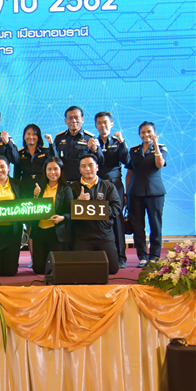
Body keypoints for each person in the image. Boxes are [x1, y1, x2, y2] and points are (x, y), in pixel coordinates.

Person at [125, 121, 168, 268]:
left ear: (154, 133)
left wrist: (155, 145)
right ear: (139, 134)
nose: (146, 135)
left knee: (155, 224)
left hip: (155, 192)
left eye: (149, 132)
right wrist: (127, 194)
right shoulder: (134, 150)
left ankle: (154, 256)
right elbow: (129, 173)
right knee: (137, 226)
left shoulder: (161, 148)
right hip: (135, 192)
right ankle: (142, 256)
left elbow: (159, 164)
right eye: (143, 132)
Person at [70, 154, 121, 275]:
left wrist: (98, 209)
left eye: (90, 165)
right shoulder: (72, 187)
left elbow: (117, 207)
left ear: (97, 167)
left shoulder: (108, 186)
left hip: (104, 235)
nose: (87, 169)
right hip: (82, 236)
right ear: (79, 169)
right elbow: (66, 209)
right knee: (78, 270)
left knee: (113, 269)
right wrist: (78, 202)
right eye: (83, 166)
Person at [95, 112, 130, 269]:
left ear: (111, 124)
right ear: (96, 125)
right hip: (99, 186)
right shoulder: (92, 142)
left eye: (105, 122)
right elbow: (97, 163)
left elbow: (126, 161)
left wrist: (122, 142)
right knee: (99, 219)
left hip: (115, 186)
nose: (103, 125)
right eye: (99, 123)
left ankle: (121, 257)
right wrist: (94, 149)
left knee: (117, 220)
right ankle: (100, 256)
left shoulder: (117, 142)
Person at [30, 157, 73, 274]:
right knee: (38, 269)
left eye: (55, 169)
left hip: (56, 232)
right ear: (45, 171)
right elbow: (30, 209)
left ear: (61, 170)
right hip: (40, 231)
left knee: (57, 269)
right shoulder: (39, 188)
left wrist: (62, 217)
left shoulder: (66, 189)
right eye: (49, 169)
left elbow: (71, 212)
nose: (52, 172)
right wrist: (35, 196)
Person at [53, 106, 104, 183]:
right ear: (65, 121)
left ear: (82, 120)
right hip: (64, 182)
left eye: (76, 118)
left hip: (84, 182)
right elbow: (55, 160)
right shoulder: (59, 138)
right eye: (70, 118)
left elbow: (101, 161)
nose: (73, 121)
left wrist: (95, 150)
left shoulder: (91, 138)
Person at [15, 124, 54, 196]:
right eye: (28, 134)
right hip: (25, 187)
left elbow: (55, 161)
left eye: (34, 134)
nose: (31, 137)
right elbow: (16, 174)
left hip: (43, 185)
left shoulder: (45, 151)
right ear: (24, 136)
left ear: (38, 137)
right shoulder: (19, 153)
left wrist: (51, 143)